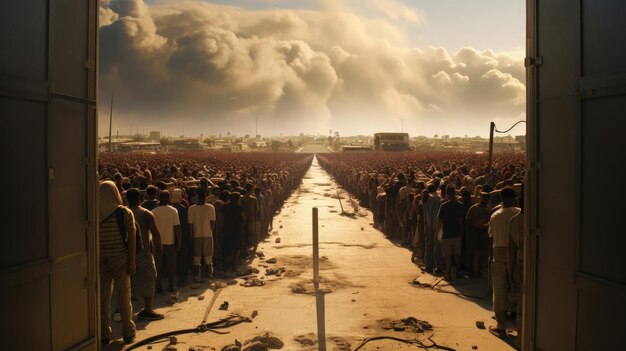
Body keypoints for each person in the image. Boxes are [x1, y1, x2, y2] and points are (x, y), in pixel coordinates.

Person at [99, 181, 136, 345]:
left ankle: (104, 334)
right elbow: (132, 239)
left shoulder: (95, 213)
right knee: (124, 296)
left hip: (101, 259)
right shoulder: (125, 213)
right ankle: (128, 332)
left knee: (103, 298)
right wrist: (132, 260)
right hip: (120, 258)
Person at [126, 188, 164, 320]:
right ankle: (148, 310)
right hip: (144, 252)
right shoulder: (146, 213)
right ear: (141, 198)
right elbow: (155, 232)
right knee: (149, 278)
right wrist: (159, 247)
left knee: (127, 282)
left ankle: (125, 311)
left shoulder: (123, 213)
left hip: (126, 253)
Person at [488, 186, 521, 337]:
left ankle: (501, 325)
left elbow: (491, 238)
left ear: (501, 198)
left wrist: (490, 257)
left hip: (499, 251)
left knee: (499, 288)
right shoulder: (519, 213)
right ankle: (520, 324)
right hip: (519, 252)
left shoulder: (496, 215)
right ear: (514, 197)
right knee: (518, 286)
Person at [152, 191, 181, 293]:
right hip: (170, 241)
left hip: (157, 242)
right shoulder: (173, 210)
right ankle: (171, 285)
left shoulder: (153, 211)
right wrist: (179, 241)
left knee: (158, 265)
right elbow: (177, 227)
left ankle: (158, 285)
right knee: (171, 264)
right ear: (169, 199)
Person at [436, 184, 464, 281]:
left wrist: (436, 234)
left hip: (446, 234)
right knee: (457, 255)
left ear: (447, 194)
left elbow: (439, 222)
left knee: (447, 256)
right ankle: (457, 273)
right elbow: (461, 221)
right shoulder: (460, 205)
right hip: (457, 234)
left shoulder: (443, 206)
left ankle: (448, 275)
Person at [188, 189, 216, 280]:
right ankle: (209, 274)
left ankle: (197, 275)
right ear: (205, 197)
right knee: (208, 256)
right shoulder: (210, 207)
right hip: (208, 234)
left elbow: (190, 224)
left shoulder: (191, 208)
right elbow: (212, 222)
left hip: (196, 234)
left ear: (197, 197)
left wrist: (191, 236)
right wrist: (210, 231)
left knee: (196, 257)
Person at [508, 189, 524, 348]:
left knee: (522, 298)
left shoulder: (515, 221)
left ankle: (521, 336)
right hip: (536, 264)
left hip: (520, 263)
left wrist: (510, 269)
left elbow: (511, 250)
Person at [466, 191, 491, 277]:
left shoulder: (488, 209)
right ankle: (473, 271)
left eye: (487, 198)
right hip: (475, 232)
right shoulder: (473, 208)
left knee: (482, 253)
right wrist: (468, 233)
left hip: (484, 233)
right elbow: (468, 221)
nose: (485, 199)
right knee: (474, 252)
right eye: (483, 197)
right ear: (480, 198)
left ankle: (478, 270)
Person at [171, 189, 190, 286]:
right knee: (182, 256)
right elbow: (185, 223)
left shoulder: (170, 208)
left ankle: (175, 276)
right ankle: (182, 277)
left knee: (174, 257)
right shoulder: (182, 208)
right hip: (182, 234)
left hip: (172, 235)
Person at [222, 192, 244, 272]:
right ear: (237, 199)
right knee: (236, 249)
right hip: (236, 230)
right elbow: (243, 218)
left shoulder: (224, 206)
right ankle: (234, 266)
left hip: (226, 230)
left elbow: (222, 218)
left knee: (226, 248)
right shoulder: (239, 207)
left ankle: (225, 266)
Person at [422, 183, 441, 273]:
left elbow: (428, 214)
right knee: (436, 246)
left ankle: (428, 266)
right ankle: (437, 266)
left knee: (429, 246)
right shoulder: (437, 198)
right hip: (436, 225)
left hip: (429, 226)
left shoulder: (428, 198)